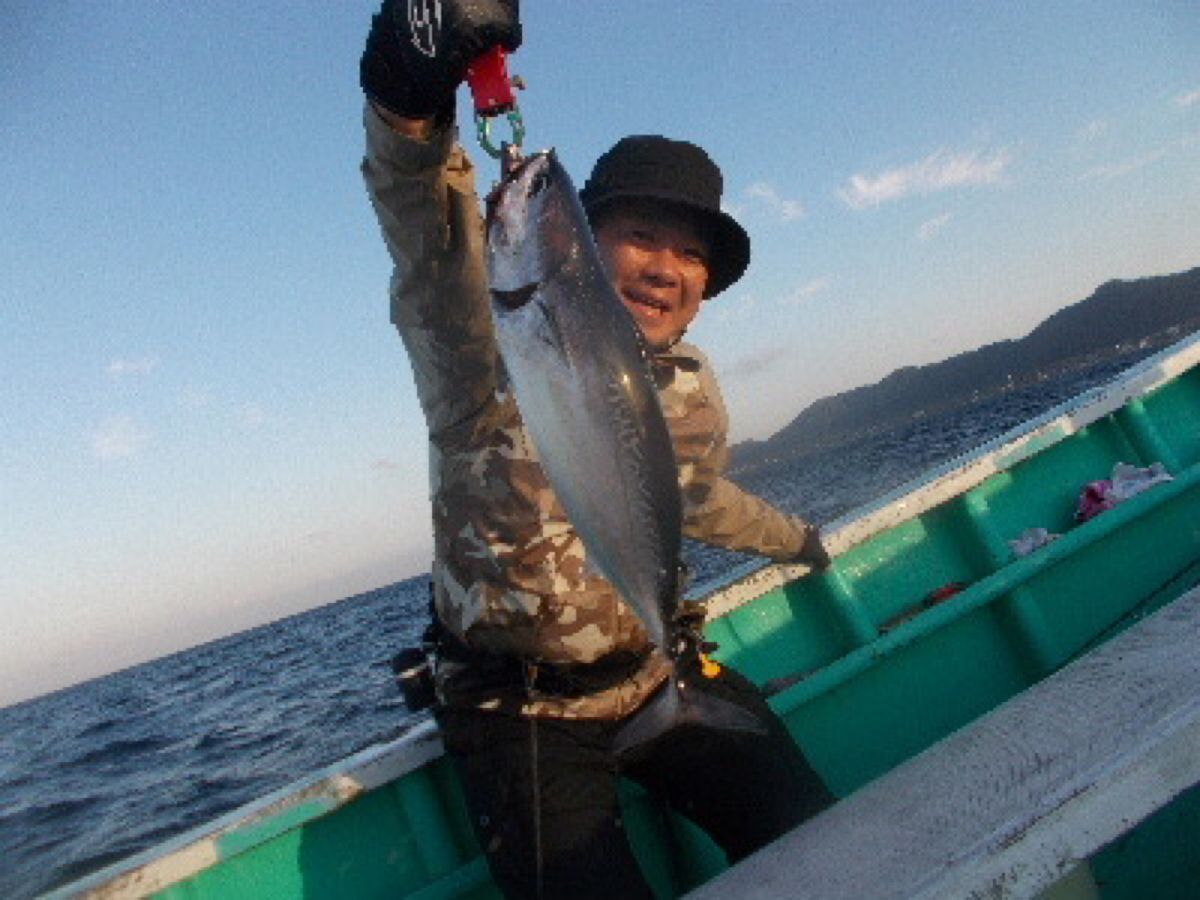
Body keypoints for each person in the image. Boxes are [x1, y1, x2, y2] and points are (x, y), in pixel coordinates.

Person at [359, 2, 834, 897]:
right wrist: (406, 101)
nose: (669, 267)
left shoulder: (687, 382)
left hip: (660, 671)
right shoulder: (485, 342)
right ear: (579, 238)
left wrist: (798, 538)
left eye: (692, 253)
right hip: (520, 710)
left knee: (819, 838)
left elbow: (695, 495)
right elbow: (425, 222)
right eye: (642, 236)